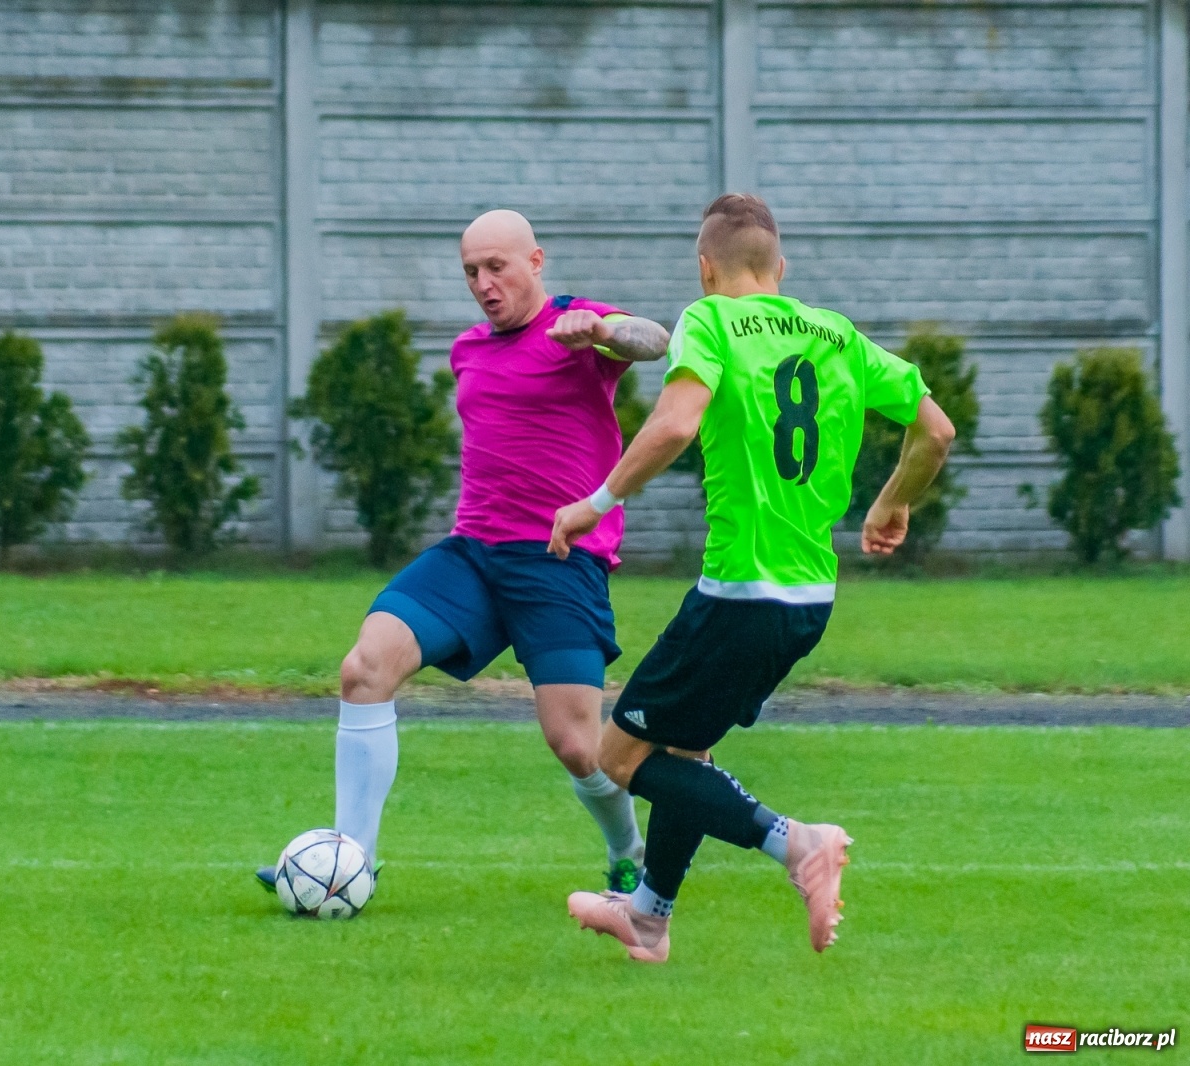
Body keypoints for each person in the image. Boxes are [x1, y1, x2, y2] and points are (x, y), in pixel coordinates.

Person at [550, 193, 956, 962]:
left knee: (620, 758)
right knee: (684, 751)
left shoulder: (709, 321)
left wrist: (593, 503)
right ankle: (649, 915)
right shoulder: (835, 332)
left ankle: (794, 843)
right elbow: (936, 429)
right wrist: (890, 503)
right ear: (781, 269)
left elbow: (674, 424)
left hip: (739, 591)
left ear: (706, 269)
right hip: (809, 602)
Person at [258, 209, 671, 896]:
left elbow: (653, 340)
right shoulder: (468, 350)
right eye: (471, 272)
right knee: (364, 668)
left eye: (497, 267)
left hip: (558, 560)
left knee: (577, 745)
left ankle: (628, 850)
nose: (484, 282)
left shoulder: (577, 324)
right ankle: (348, 860)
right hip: (473, 554)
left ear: (535, 261)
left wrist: (601, 332)